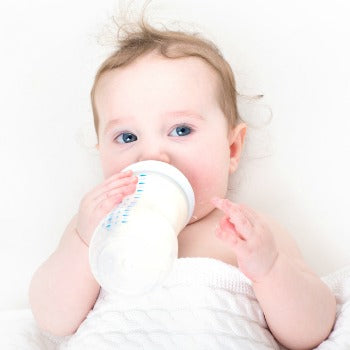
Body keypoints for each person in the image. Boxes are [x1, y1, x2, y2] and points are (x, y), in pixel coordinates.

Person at [29, 14, 336, 350]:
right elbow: (52, 319)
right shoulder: (98, 227)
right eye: (127, 136)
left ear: (231, 148)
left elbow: (313, 330)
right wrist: (83, 240)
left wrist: (270, 268)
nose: (152, 156)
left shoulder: (250, 233)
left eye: (181, 130)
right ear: (101, 151)